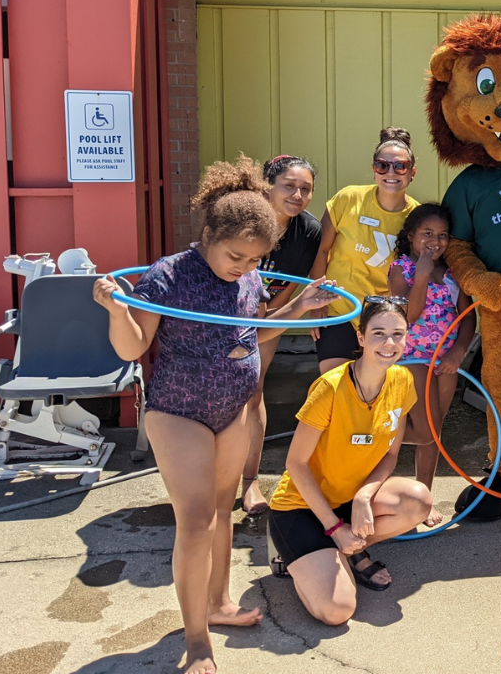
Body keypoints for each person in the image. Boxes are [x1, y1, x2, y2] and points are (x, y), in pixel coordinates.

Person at [93, 155, 339, 674]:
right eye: (236, 256)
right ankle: (196, 638)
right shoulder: (168, 275)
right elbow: (132, 347)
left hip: (233, 407)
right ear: (208, 235)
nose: (244, 267)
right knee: (196, 520)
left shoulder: (249, 280)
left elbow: (255, 331)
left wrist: (299, 308)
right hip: (179, 409)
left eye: (255, 259)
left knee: (223, 512)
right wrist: (117, 311)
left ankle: (219, 603)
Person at [267, 298, 432, 625]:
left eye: (397, 334)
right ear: (361, 337)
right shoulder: (330, 387)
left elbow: (390, 454)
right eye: (379, 333)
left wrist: (363, 496)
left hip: (349, 502)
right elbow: (296, 464)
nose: (389, 343)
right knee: (337, 611)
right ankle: (300, 551)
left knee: (418, 500)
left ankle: (344, 549)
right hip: (302, 506)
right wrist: (333, 526)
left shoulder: (402, 381)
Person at [241, 154, 322, 516]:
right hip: (224, 314)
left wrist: (265, 321)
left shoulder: (309, 231)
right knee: (220, 394)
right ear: (267, 186)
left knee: (253, 391)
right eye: (289, 186)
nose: (298, 195)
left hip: (270, 315)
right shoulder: (242, 217)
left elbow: (289, 288)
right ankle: (211, 475)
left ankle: (249, 481)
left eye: (306, 188)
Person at [387, 203, 476, 527]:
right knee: (425, 431)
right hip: (413, 357)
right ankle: (377, 435)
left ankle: (423, 498)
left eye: (442, 235)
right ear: (411, 235)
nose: (435, 241)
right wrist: (422, 274)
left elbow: (468, 318)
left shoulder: (452, 273)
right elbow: (409, 315)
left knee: (435, 433)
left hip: (445, 360)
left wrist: (459, 352)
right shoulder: (402, 269)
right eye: (427, 233)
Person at [309, 127, 419, 374]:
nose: (390, 172)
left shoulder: (417, 217)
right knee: (337, 384)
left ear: (412, 172)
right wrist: (316, 302)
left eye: (400, 166)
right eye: (382, 165)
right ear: (373, 170)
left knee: (375, 387)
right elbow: (321, 251)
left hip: (384, 319)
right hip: (339, 309)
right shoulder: (348, 199)